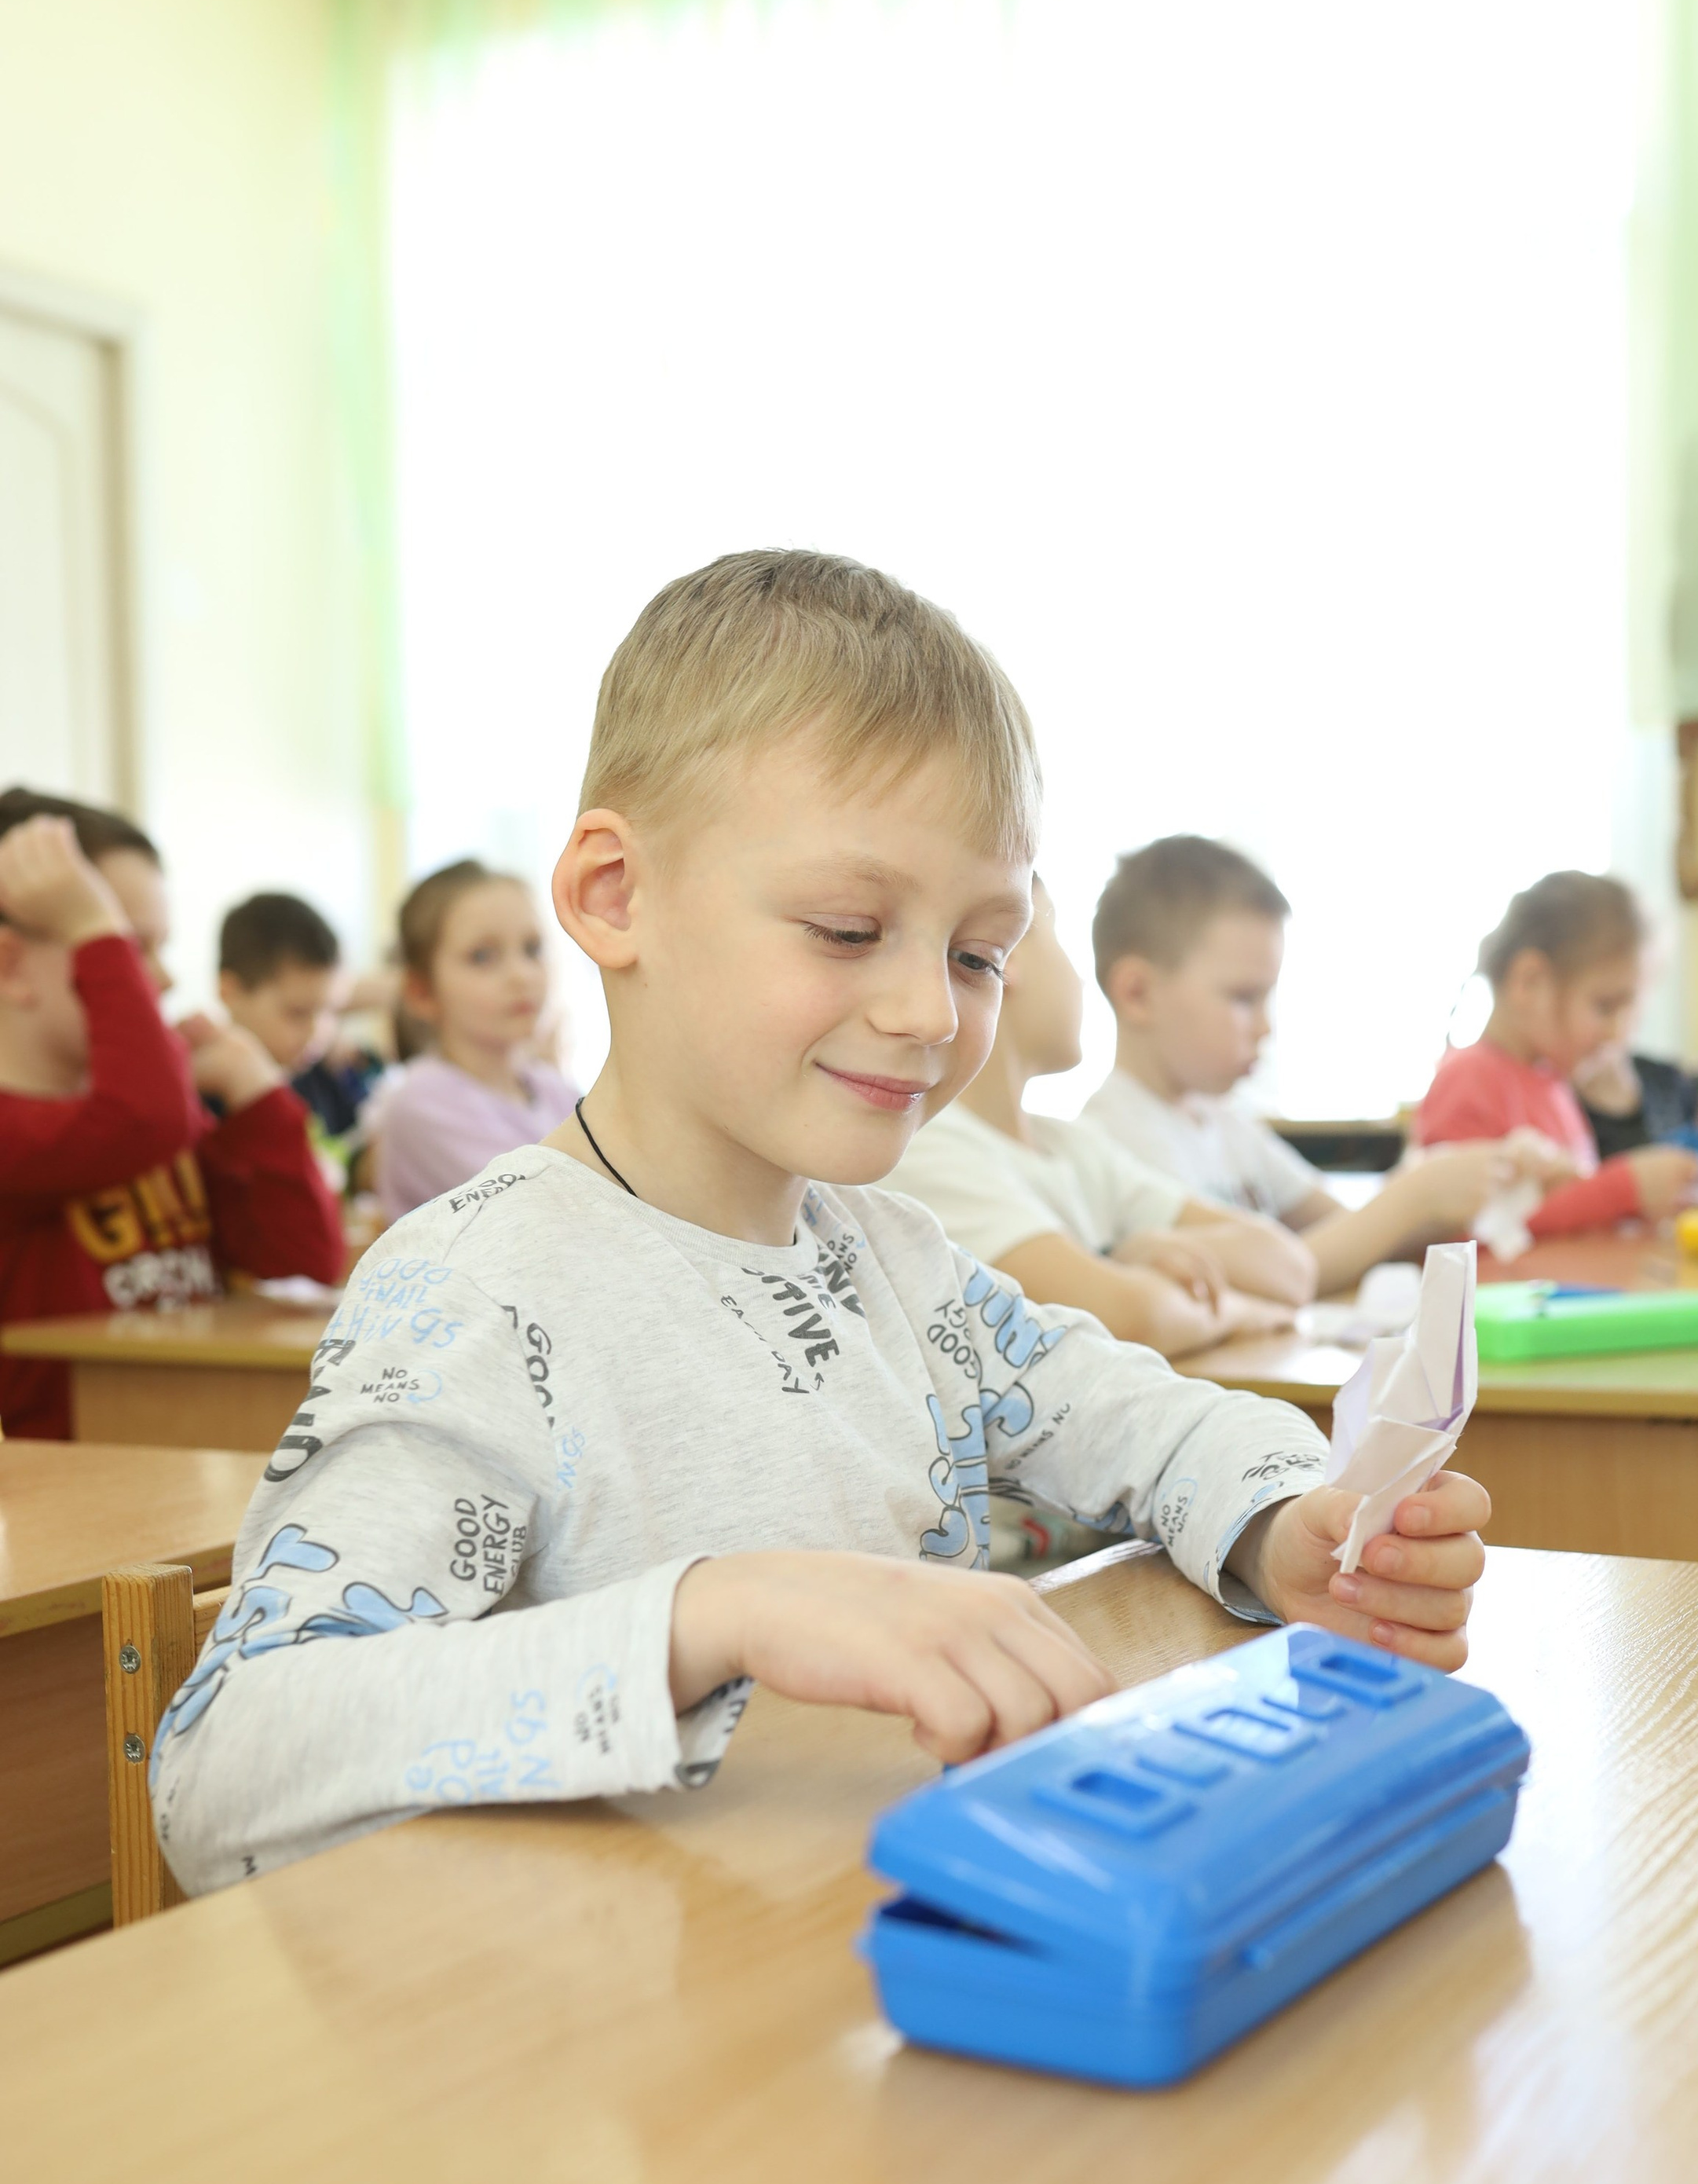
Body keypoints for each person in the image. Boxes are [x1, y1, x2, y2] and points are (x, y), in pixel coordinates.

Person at [150, 551, 1490, 1896]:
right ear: (617, 896)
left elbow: (1142, 1415)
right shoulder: (471, 1297)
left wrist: (1284, 1522)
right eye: (850, 929)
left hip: (872, 1961)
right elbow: (226, 1770)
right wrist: (712, 1615)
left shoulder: (898, 1263)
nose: (930, 1012)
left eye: (978, 954)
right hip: (602, 2056)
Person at [0, 791, 347, 1438]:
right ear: (12, 966)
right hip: (68, 1496)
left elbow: (302, 1256)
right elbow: (139, 1121)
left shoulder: (158, 1117)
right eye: (128, 948)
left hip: (189, 1455)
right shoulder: (120, 1121)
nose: (158, 981)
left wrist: (255, 1097)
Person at [1081, 836, 1567, 1284]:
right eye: (1244, 998)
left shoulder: (1226, 1127)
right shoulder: (1113, 1143)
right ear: (1138, 993)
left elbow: (1350, 1230)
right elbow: (1269, 1277)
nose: (1265, 1027)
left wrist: (1474, 1182)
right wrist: (1416, 1194)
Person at [896, 876, 1309, 1354]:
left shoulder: (1074, 1146)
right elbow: (1132, 1318)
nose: (1081, 978)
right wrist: (1239, 1312)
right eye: (1063, 941)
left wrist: (1124, 1259)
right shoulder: (930, 1146)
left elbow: (1287, 1267)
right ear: (1006, 953)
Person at [1410, 872, 1698, 1235]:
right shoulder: (1469, 1080)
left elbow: (1564, 1209)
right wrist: (1622, 1189)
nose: (1618, 1033)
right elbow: (1474, 1233)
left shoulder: (1553, 1084)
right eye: (1605, 1007)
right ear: (1529, 982)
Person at [362, 859, 576, 1220]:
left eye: (532, 949)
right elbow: (547, 1212)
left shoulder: (554, 1089)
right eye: (482, 957)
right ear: (422, 991)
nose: (521, 975)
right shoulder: (421, 1102)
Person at [218, 889, 382, 1178]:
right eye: (297, 1013)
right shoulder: (212, 1105)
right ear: (230, 993)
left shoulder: (318, 1074)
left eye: (330, 1011)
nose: (317, 1032)